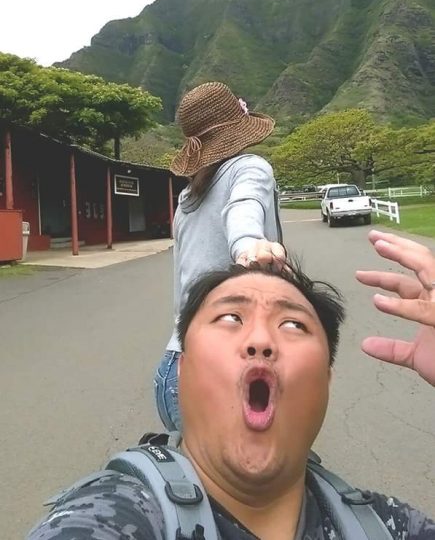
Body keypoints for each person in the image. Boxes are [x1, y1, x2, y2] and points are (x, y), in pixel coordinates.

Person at [28, 230, 435, 539]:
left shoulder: (388, 526)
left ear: (326, 380)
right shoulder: (114, 514)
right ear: (181, 369)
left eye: (293, 324)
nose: (260, 341)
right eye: (230, 319)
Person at [154, 81, 286, 432]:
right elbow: (244, 207)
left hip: (174, 367)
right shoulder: (250, 168)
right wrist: (248, 244)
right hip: (222, 371)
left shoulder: (187, 200)